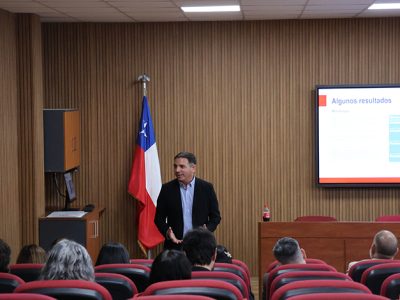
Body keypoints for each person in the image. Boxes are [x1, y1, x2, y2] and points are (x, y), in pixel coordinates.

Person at [155, 151, 221, 250]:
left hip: (200, 246)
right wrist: (168, 233)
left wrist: (206, 230)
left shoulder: (206, 188)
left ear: (193, 168)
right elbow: (158, 218)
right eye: (175, 166)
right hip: (174, 246)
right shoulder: (166, 189)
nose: (177, 170)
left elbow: (215, 217)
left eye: (182, 166)